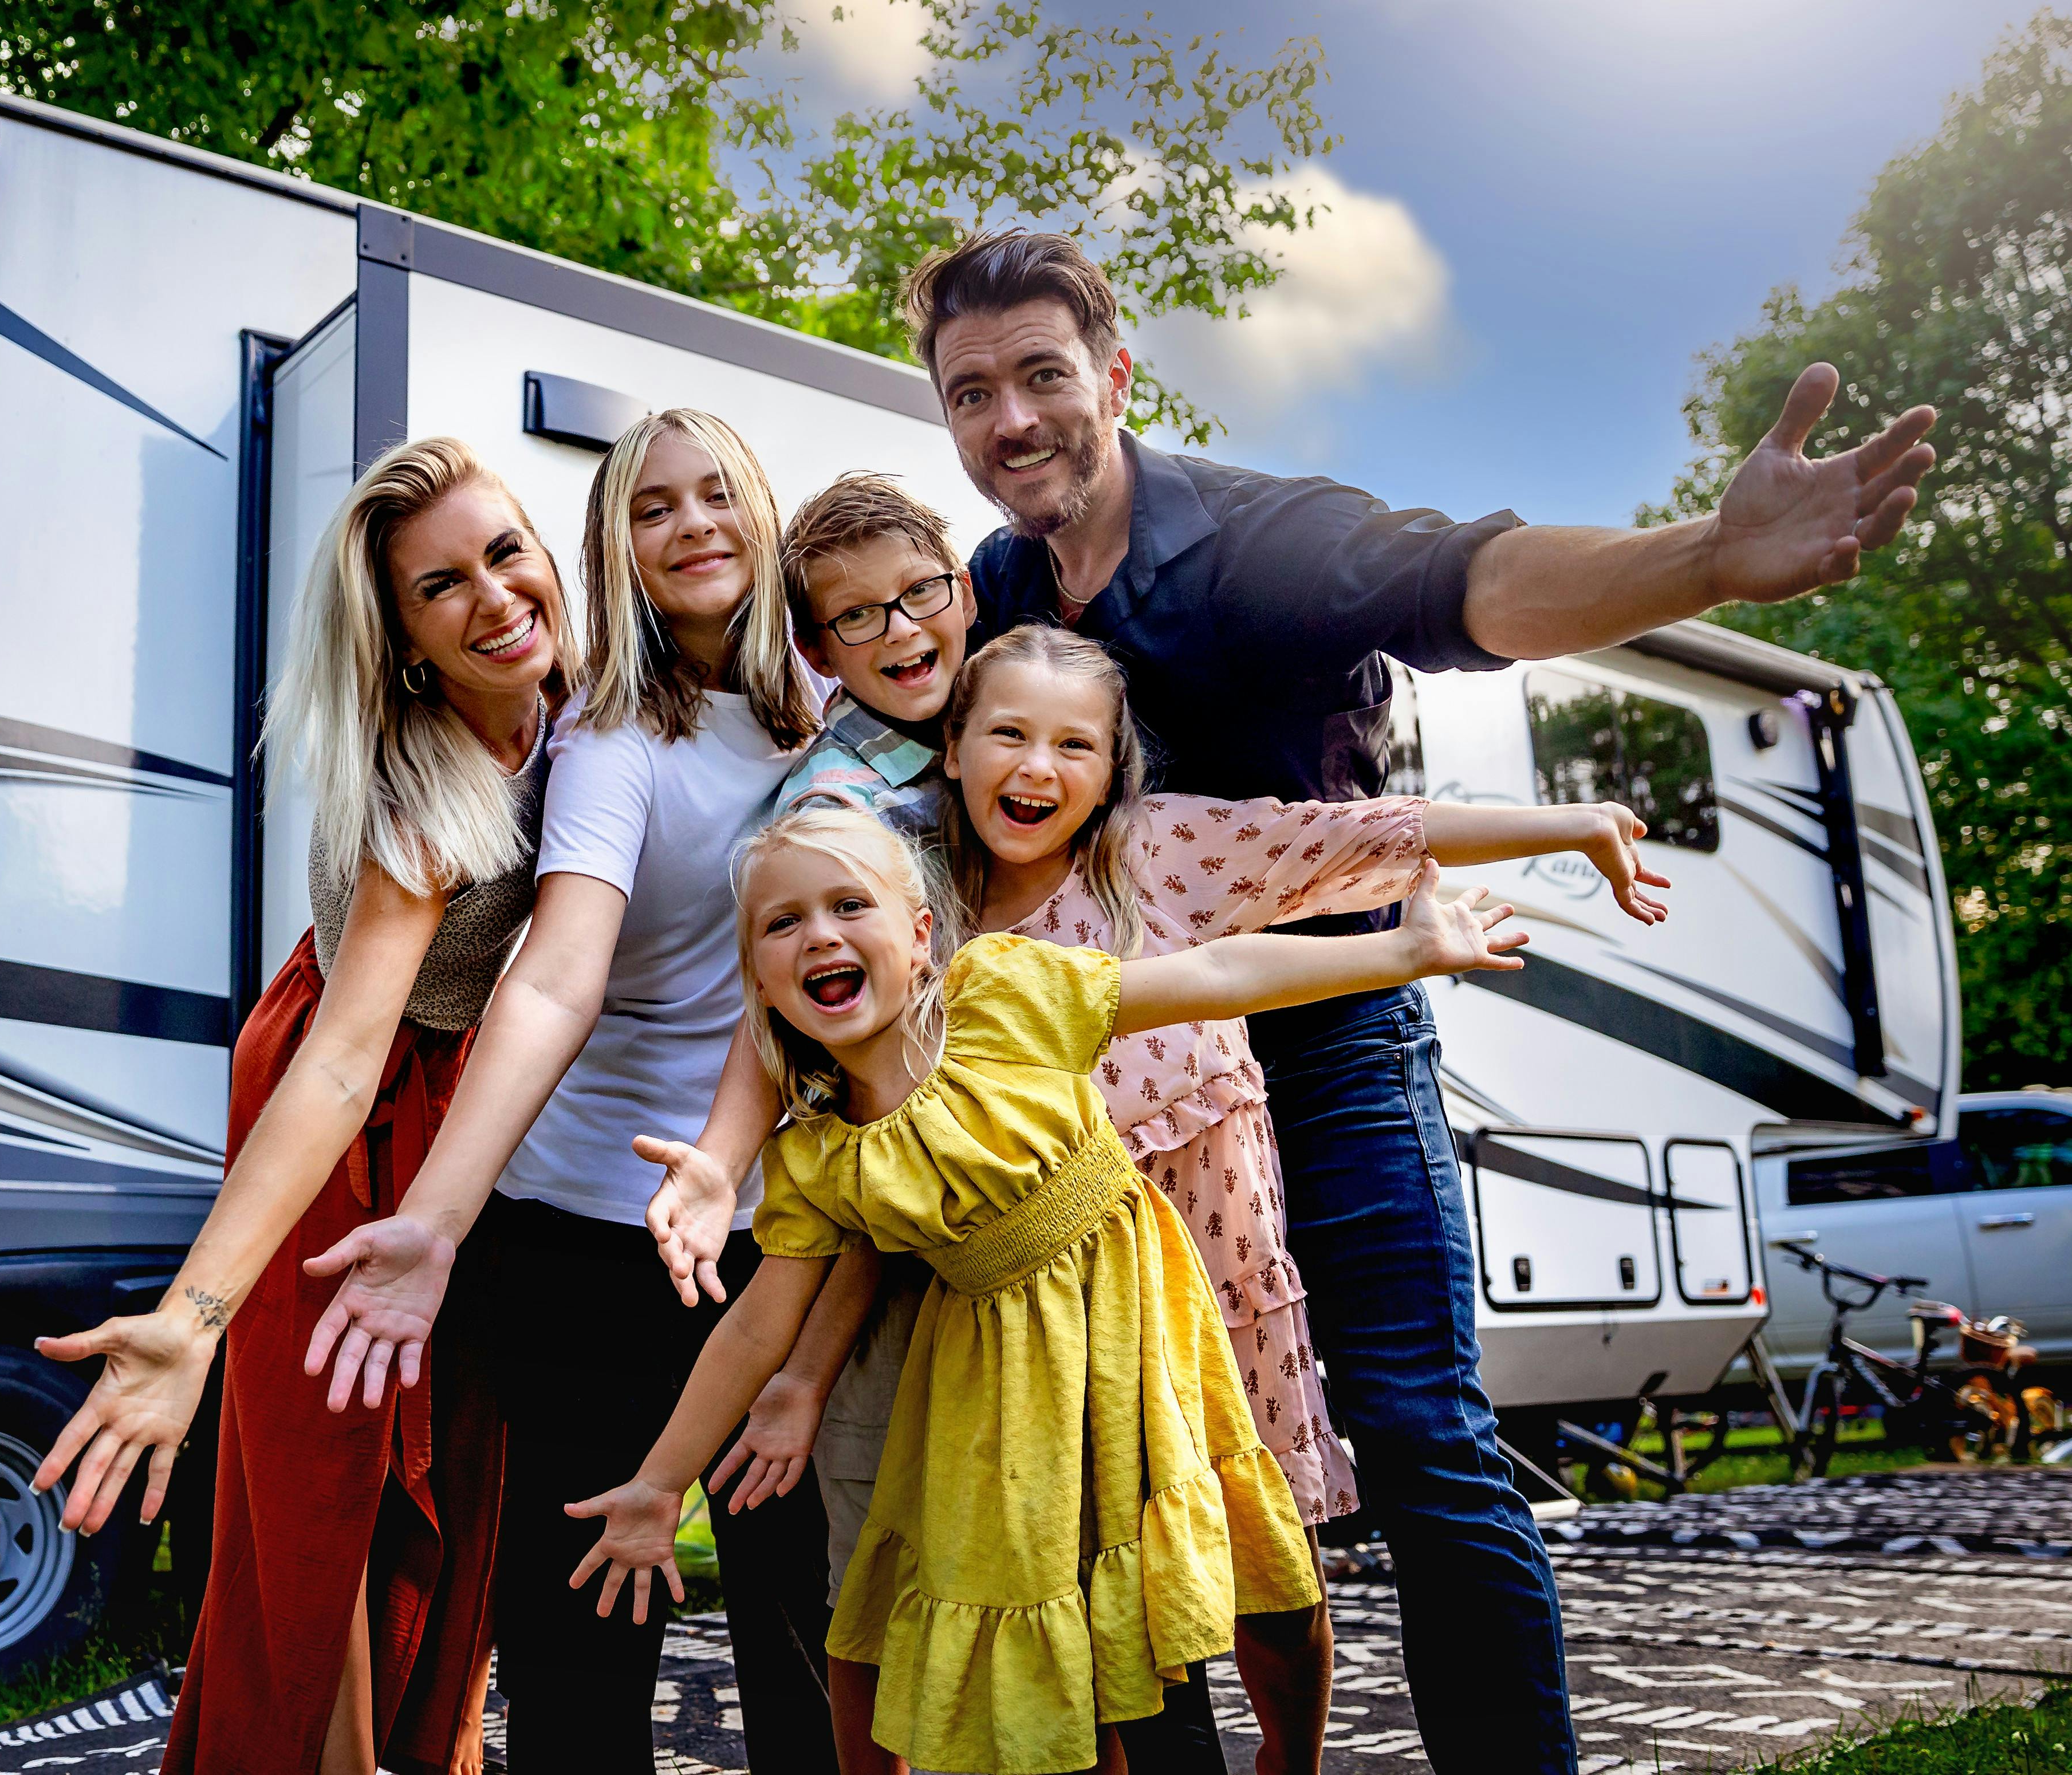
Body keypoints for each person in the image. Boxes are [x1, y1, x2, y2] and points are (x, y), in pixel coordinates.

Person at [904, 227, 1938, 1771]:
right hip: (1136, 1086)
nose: (1011, 422)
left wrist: (1703, 560)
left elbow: (1472, 581)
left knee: (1420, 1436)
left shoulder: (1256, 539)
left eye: (1043, 375)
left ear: (1115, 377)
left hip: (1330, 1041)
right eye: (970, 392)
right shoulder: (995, 587)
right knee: (1149, 1460)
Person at [572, 805, 1539, 1775]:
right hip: (998, 1393)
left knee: (1267, 1590)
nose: (818, 934)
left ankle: (1291, 1757)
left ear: (918, 939)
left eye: (848, 905)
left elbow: (1214, 975)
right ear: (763, 986)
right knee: (1067, 1642)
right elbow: (753, 1330)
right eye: (781, 925)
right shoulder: (820, 1154)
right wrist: (659, 1484)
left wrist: (1404, 955)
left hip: (1137, 1330)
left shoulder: (1000, 997)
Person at [933, 624, 1668, 1772]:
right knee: (1110, 1572)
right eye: (1009, 734)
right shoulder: (932, 912)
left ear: (1115, 765)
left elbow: (1354, 833)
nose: (1038, 767)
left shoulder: (1150, 855)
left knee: (1266, 1559)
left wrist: (1572, 823)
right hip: (1063, 1315)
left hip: (1222, 1288)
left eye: (1075, 743)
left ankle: (1292, 1752)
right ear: (953, 747)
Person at [291, 410, 840, 1772]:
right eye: (655, 507)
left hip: (783, 1232)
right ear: (613, 546)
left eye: (722, 491)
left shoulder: (844, 716)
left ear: (766, 514)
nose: (696, 523)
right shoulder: (611, 736)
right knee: (585, 1640)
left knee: (807, 1616)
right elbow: (555, 976)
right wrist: (437, 1216)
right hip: (588, 1235)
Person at [23, 437, 569, 1775]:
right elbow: (341, 1057)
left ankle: (429, 1741)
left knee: (467, 1452)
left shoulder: (592, 708)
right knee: (332, 1477)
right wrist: (194, 1315)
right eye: (442, 586)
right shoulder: (421, 790)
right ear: (404, 640)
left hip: (470, 1095)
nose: (494, 597)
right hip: (351, 1083)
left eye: (506, 552)